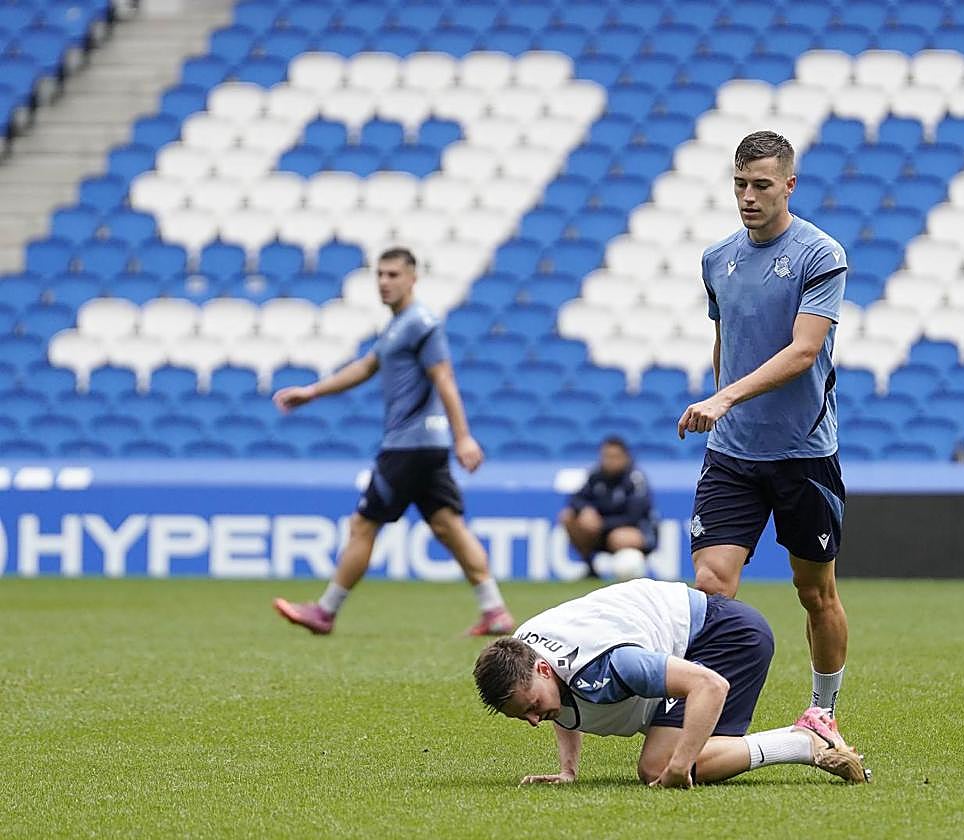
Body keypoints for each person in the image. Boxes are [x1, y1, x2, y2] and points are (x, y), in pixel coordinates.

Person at [675, 131, 851, 719]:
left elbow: (803, 351)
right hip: (733, 455)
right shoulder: (715, 259)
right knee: (710, 587)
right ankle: (709, 713)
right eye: (740, 185)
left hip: (803, 454)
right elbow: (726, 340)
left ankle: (822, 711)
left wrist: (723, 397)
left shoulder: (820, 255)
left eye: (762, 185)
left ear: (790, 185)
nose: (748, 197)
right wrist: (724, 404)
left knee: (815, 593)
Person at [271, 247, 514, 637]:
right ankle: (495, 610)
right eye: (380, 275)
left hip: (407, 446)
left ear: (412, 278)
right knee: (448, 525)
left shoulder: (420, 323)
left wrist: (464, 437)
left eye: (393, 275)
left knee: (363, 526)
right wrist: (313, 392)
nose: (384, 282)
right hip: (424, 446)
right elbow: (365, 367)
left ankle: (325, 611)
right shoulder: (398, 327)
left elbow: (445, 380)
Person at [473, 578, 869, 787]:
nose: (534, 720)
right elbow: (559, 704)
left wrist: (681, 767)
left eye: (530, 707)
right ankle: (800, 739)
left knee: (658, 767)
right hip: (687, 634)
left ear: (543, 669)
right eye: (521, 716)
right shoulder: (526, 653)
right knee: (663, 759)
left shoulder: (607, 666)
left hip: (724, 637)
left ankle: (803, 741)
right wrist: (568, 770)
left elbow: (709, 685)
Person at [558, 436, 658, 578]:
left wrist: (601, 523)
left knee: (619, 537)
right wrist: (586, 510)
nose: (610, 461)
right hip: (603, 531)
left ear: (626, 457)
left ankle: (634, 572)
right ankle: (590, 568)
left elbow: (634, 516)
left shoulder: (635, 479)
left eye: (615, 457)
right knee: (568, 517)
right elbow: (575, 499)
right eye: (606, 456)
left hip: (636, 530)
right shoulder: (596, 475)